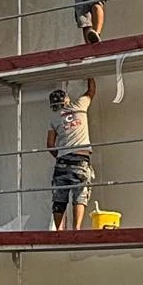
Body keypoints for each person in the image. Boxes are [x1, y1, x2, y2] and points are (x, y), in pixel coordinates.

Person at [47, 78, 97, 230]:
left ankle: (58, 231)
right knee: (80, 194)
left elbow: (50, 145)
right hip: (81, 159)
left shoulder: (54, 119)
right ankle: (77, 229)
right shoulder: (80, 106)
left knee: (59, 197)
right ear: (66, 100)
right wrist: (90, 76)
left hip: (62, 161)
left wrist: (61, 156)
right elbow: (91, 92)